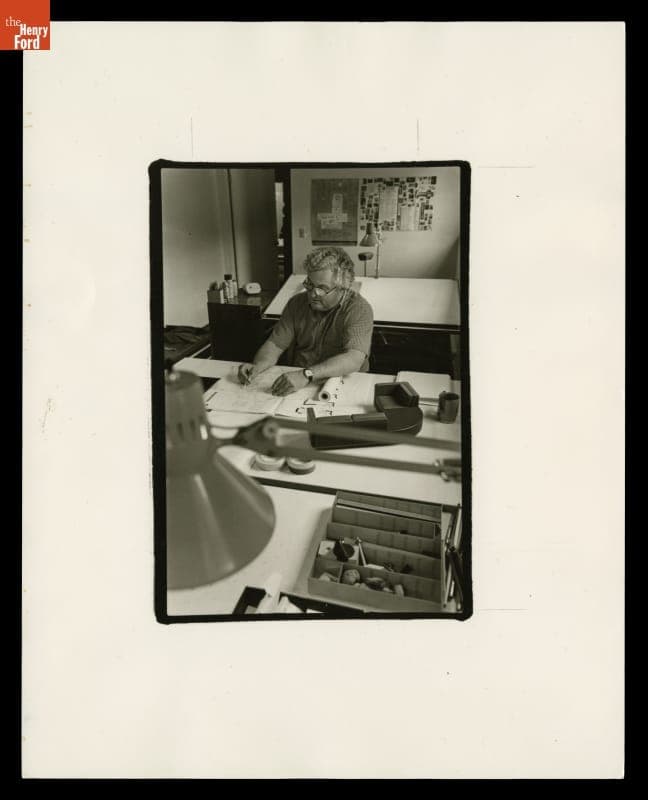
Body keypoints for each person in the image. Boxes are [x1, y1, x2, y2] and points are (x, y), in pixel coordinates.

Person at [238, 246, 374, 396]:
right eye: (310, 285)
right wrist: (258, 366)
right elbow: (275, 344)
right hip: (299, 381)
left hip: (340, 383)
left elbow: (353, 359)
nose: (313, 294)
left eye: (322, 288)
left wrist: (307, 374)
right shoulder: (296, 303)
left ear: (343, 288)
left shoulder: (359, 309)